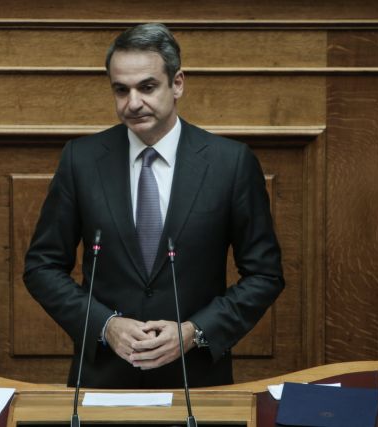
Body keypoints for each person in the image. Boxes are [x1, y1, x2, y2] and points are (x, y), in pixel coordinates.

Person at [23, 23, 284, 389]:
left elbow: (265, 275)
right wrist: (105, 326)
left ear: (177, 84)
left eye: (147, 87)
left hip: (196, 380)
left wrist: (195, 332)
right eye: (121, 89)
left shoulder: (230, 163)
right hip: (103, 379)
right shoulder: (81, 160)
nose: (133, 103)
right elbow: (42, 266)